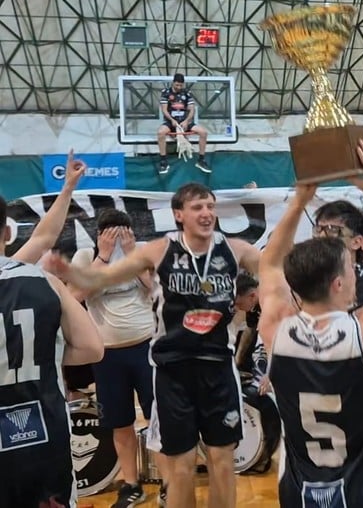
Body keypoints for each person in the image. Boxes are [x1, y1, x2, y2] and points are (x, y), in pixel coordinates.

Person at [45, 182, 261, 508]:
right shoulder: (158, 250)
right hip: (173, 370)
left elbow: (274, 270)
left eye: (210, 206)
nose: (206, 213)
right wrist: (67, 270)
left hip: (217, 366)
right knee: (182, 465)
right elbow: (98, 280)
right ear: (179, 214)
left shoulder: (235, 249)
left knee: (222, 461)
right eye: (197, 207)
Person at [258, 142, 363, 507]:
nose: (356, 273)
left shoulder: (275, 327)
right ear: (339, 283)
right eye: (350, 270)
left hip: (300, 491)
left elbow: (269, 267)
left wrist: (299, 200)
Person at [0, 195, 105, 508]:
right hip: (44, 431)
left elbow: (44, 236)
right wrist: (46, 354)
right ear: (7, 232)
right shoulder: (44, 281)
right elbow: (92, 348)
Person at [68, 209, 168, 507]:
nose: (117, 238)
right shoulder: (85, 258)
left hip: (145, 348)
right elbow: (75, 297)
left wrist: (131, 256)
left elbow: (157, 291)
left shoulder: (141, 254)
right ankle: (130, 484)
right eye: (110, 234)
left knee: (158, 421)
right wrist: (104, 257)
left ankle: (168, 483)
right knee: (119, 422)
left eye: (122, 232)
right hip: (107, 353)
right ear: (99, 235)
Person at [158, 73, 210, 175]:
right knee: (160, 133)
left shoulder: (187, 93)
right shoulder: (166, 93)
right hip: (171, 122)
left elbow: (191, 110)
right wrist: (172, 120)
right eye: (177, 85)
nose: (179, 87)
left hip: (185, 122)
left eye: (181, 85)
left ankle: (201, 160)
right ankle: (163, 161)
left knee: (203, 132)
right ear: (173, 83)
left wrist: (186, 121)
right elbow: (164, 110)